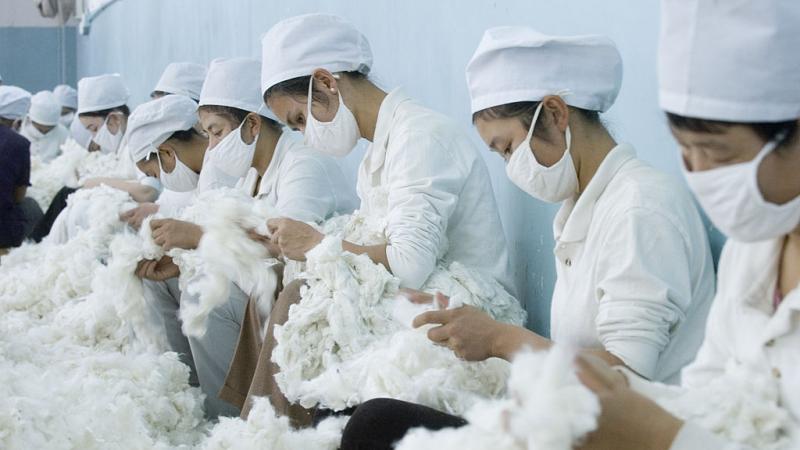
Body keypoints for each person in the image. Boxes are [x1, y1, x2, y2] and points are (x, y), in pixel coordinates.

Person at [339, 27, 717, 450]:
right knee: (357, 414)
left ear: (554, 114)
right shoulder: (586, 208)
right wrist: (468, 324)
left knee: (375, 424)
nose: (510, 166)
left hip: (631, 439)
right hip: (574, 428)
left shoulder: (640, 208)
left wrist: (498, 338)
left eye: (508, 148)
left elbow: (625, 377)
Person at [239, 13, 515, 425]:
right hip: (415, 301)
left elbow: (409, 264)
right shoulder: (380, 149)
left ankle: (267, 432)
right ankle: (263, 426)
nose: (305, 133)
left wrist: (316, 244)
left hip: (464, 315)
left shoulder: (421, 137)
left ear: (326, 83)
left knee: (299, 297)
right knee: (285, 286)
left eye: (300, 119)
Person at [574, 1, 800, 449]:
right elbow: (710, 398)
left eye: (718, 153)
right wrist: (618, 394)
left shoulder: (642, 206)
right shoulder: (752, 246)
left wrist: (662, 435)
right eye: (684, 148)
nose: (698, 173)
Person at [136, 57, 356, 420]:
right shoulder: (249, 176)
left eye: (217, 132)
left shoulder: (303, 164)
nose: (211, 147)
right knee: (174, 278)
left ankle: (232, 420)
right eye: (207, 134)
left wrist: (200, 239)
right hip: (265, 286)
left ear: (252, 125)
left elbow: (288, 247)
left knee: (206, 297)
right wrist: (184, 259)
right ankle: (192, 396)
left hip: (310, 295)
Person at [31, 74, 161, 242]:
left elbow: (148, 192)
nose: (94, 138)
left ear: (114, 119)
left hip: (143, 214)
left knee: (80, 209)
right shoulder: (123, 145)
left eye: (93, 129)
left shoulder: (137, 142)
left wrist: (95, 182)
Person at [0, 86, 40, 253]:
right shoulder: (19, 144)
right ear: (16, 121)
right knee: (31, 207)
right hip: (3, 231)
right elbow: (18, 196)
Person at [20, 91, 70, 163]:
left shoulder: (63, 133)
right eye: (39, 129)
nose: (43, 133)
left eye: (49, 129)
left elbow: (68, 159)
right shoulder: (19, 130)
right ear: (31, 120)